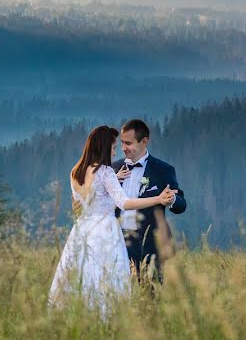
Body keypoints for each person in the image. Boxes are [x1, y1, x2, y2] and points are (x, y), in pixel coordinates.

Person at [48, 125, 175, 317]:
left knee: (83, 275)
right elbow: (124, 202)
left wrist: (113, 179)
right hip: (105, 232)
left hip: (83, 230)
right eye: (113, 147)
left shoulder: (75, 171)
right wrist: (158, 199)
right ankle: (105, 319)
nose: (116, 151)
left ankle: (78, 317)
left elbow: (87, 200)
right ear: (104, 147)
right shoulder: (105, 171)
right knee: (107, 278)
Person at [113, 119, 186, 283]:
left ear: (144, 141)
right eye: (121, 143)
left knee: (151, 296)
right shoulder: (113, 168)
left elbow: (181, 204)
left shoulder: (162, 170)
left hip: (150, 245)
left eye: (128, 143)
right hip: (117, 242)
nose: (123, 148)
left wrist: (172, 199)